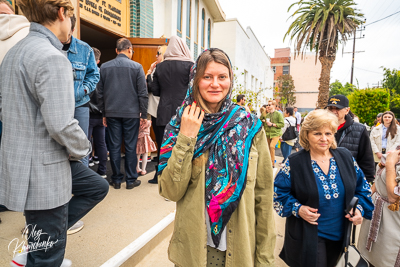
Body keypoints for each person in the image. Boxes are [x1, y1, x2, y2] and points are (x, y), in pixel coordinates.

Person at [0, 0, 108, 265]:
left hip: (28, 162)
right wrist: (84, 148)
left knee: (97, 186)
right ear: (62, 13)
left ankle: (37, 244)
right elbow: (61, 123)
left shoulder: (14, 52)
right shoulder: (51, 56)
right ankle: (39, 247)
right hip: (46, 169)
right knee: (48, 258)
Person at [158, 48, 276, 266]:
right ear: (195, 80)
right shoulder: (179, 124)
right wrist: (186, 137)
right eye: (207, 77)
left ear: (230, 80)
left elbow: (264, 199)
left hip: (239, 250)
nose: (215, 84)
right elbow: (170, 191)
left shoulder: (249, 126)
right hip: (194, 252)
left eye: (222, 77)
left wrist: (265, 260)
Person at [274, 109, 374, 267]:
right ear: (306, 134)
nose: (324, 139)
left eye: (328, 133)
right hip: (309, 236)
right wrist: (298, 209)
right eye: (317, 133)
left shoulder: (346, 157)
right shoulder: (294, 163)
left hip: (341, 236)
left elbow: (363, 189)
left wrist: (359, 209)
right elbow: (278, 195)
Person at [97, 38, 148, 190]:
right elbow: (142, 93)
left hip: (112, 112)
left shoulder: (105, 67)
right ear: (129, 50)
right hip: (132, 113)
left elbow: (100, 93)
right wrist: (143, 115)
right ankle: (131, 179)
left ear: (116, 50)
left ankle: (117, 179)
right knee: (130, 146)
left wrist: (103, 113)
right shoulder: (137, 67)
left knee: (114, 146)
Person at [147, 35, 194, 184]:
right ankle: (182, 179)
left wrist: (149, 76)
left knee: (164, 146)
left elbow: (155, 91)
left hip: (164, 112)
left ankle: (160, 177)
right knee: (185, 146)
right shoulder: (190, 66)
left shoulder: (160, 66)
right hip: (185, 113)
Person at [63, 14, 100, 167]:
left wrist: (83, 90)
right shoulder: (48, 46)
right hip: (56, 105)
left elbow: (94, 75)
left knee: (82, 146)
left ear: (72, 28)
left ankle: (81, 188)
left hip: (79, 105)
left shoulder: (85, 49)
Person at [358, 150, 400, 267]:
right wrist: (363, 201)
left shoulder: (393, 158)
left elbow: (393, 197)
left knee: (386, 260)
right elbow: (379, 180)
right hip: (375, 214)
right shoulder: (397, 151)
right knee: (368, 259)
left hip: (392, 222)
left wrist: (390, 164)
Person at [326, 95, 375, 183]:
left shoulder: (359, 129)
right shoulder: (319, 127)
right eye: (330, 108)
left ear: (347, 110)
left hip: (348, 179)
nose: (333, 111)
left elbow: (366, 157)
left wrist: (367, 181)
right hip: (323, 178)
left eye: (337, 108)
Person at [88, 47, 107, 178]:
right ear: (98, 61)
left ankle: (86, 172)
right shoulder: (104, 75)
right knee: (101, 143)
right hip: (101, 115)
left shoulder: (85, 73)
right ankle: (103, 170)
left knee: (85, 142)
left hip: (87, 114)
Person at [146, 45, 167, 163]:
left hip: (157, 108)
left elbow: (150, 87)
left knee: (160, 139)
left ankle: (160, 163)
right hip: (159, 108)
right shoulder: (164, 69)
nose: (156, 56)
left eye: (158, 53)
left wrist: (149, 72)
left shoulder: (159, 69)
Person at [264, 99, 284, 167]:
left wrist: (272, 124)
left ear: (274, 106)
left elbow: (282, 124)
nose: (268, 106)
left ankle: (272, 163)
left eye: (269, 105)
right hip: (268, 133)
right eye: (268, 105)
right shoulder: (267, 115)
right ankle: (270, 161)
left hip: (276, 133)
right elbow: (266, 125)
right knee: (268, 149)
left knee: (272, 146)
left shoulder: (278, 114)